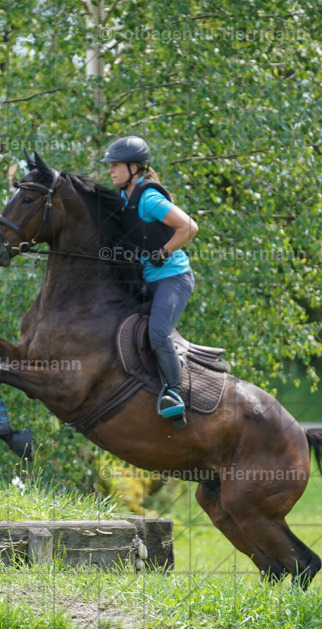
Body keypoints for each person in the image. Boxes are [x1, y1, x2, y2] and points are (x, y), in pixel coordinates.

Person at [100, 136, 199, 426]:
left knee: (158, 333)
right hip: (145, 278)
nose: (110, 171)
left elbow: (190, 227)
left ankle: (174, 395)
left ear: (134, 168)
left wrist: (163, 252)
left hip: (173, 278)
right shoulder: (123, 197)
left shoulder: (149, 198)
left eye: (115, 166)